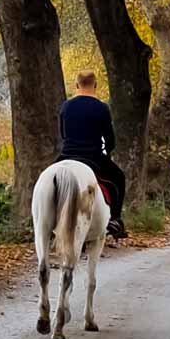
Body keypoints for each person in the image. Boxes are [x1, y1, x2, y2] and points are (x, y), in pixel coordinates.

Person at [56, 70, 127, 238]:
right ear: (95, 85)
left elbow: (63, 134)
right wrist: (108, 151)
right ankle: (115, 219)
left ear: (77, 85)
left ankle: (42, 219)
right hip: (93, 158)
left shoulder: (66, 106)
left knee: (46, 178)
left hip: (66, 155)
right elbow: (110, 140)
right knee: (119, 178)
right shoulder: (102, 108)